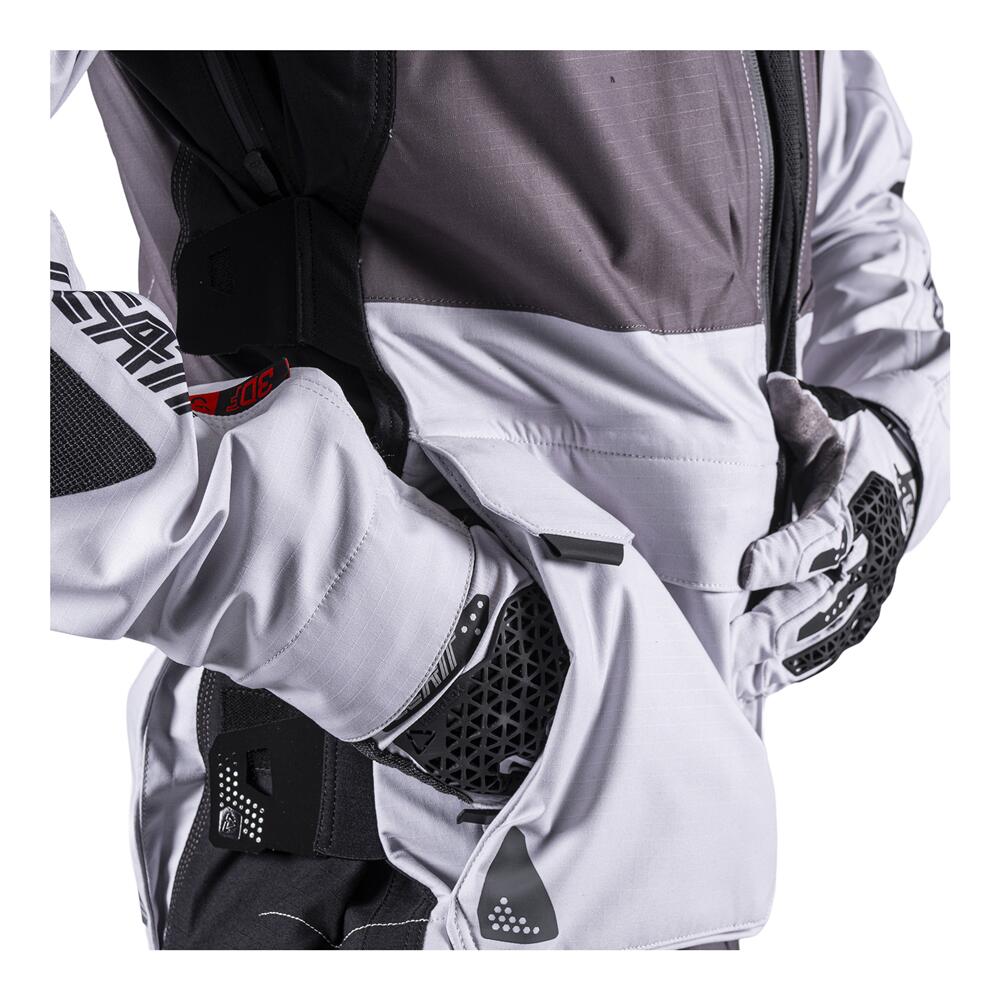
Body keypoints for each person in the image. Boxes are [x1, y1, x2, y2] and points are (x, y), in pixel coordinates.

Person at [50, 50, 949, 949]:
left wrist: (889, 441)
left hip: (670, 832)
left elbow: (840, 170)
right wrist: (390, 630)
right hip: (375, 836)